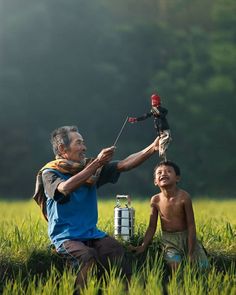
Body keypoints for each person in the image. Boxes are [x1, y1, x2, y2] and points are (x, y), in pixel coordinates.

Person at [33, 125, 159, 294]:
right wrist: (98, 163)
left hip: (92, 233)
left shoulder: (90, 170)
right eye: (79, 143)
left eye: (83, 142)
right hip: (65, 236)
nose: (84, 147)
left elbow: (124, 164)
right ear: (63, 148)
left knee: (117, 252)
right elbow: (65, 188)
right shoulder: (50, 173)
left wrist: (153, 147)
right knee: (87, 257)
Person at [129, 160, 209, 272]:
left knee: (203, 268)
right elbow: (152, 227)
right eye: (159, 173)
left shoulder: (184, 197)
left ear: (177, 178)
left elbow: (191, 225)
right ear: (155, 181)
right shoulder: (155, 200)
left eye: (168, 171)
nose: (163, 174)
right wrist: (143, 245)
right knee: (175, 268)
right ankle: (178, 286)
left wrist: (190, 252)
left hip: (188, 238)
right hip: (169, 241)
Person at [128, 93, 171, 161]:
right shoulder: (153, 110)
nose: (153, 102)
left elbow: (162, 116)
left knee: (162, 147)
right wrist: (136, 119)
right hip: (160, 132)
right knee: (158, 146)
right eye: (152, 100)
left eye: (154, 100)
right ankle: (164, 159)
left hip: (165, 130)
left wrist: (157, 112)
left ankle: (165, 161)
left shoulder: (163, 110)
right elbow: (146, 116)